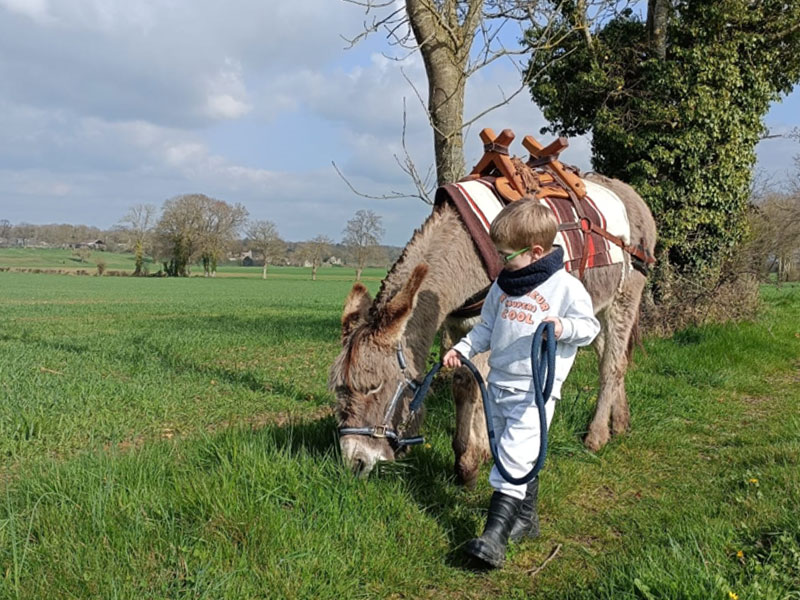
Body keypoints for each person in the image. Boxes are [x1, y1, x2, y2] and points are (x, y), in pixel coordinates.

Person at [443, 198, 600, 569]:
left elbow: (590, 328)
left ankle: (493, 537)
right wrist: (463, 351)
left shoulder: (565, 288)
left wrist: (564, 327)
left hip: (536, 390)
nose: (500, 261)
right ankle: (526, 521)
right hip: (499, 384)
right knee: (509, 451)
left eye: (505, 255)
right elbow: (485, 329)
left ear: (536, 252)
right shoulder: (503, 286)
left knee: (513, 456)